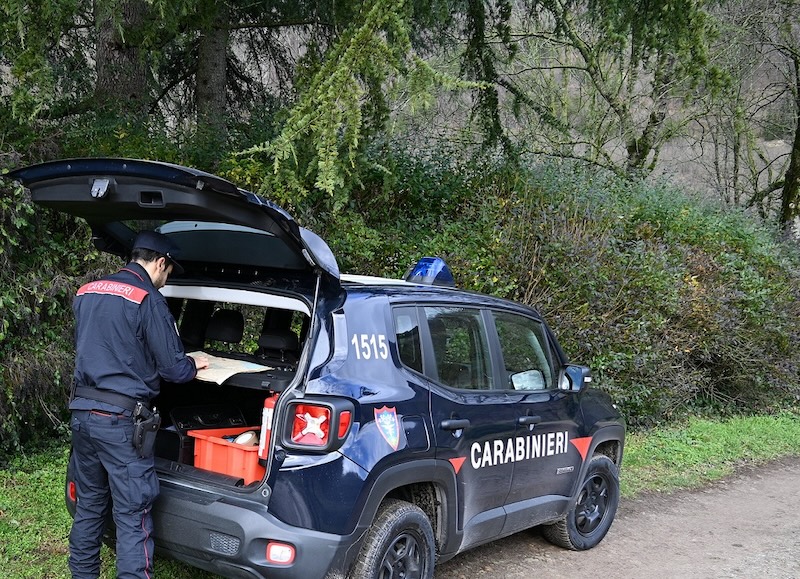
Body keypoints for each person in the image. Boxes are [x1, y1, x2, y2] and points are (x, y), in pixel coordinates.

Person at [67, 230, 209, 579]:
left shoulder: (87, 292)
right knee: (133, 515)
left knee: (89, 507)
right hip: (120, 423)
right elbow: (174, 369)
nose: (166, 279)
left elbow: (100, 347)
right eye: (169, 271)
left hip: (83, 415)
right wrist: (196, 362)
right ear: (160, 263)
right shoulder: (148, 300)